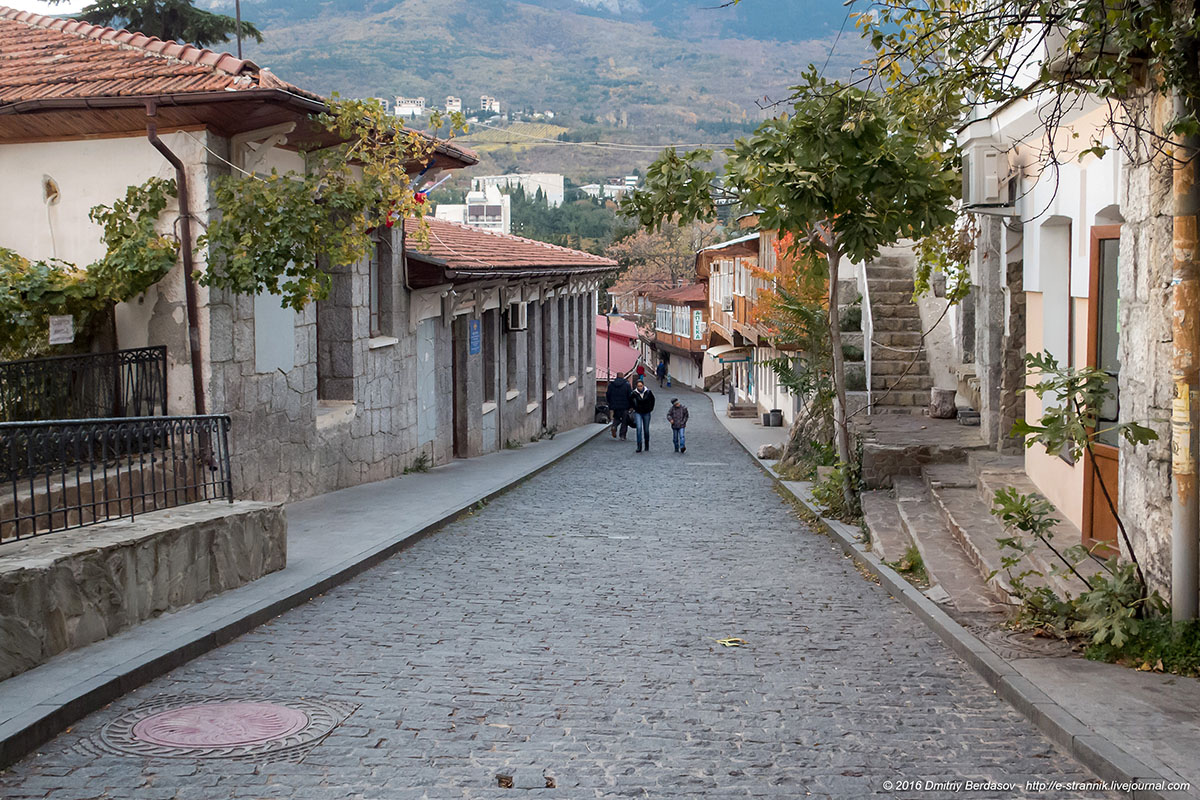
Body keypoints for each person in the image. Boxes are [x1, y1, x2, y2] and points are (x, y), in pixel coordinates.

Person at [630, 379, 656, 453]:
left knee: (646, 429)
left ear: (643, 385)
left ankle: (647, 444)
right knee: (639, 428)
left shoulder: (648, 392)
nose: (640, 387)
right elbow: (630, 401)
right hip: (638, 412)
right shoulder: (634, 393)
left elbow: (653, 400)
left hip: (646, 413)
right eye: (638, 386)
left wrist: (650, 409)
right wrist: (634, 408)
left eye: (641, 386)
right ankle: (639, 445)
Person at [605, 374, 633, 439]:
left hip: (615, 406)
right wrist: (631, 405)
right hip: (625, 406)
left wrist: (610, 403)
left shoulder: (611, 385)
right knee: (624, 420)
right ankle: (622, 435)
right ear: (623, 377)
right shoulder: (627, 385)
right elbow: (630, 396)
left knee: (616, 418)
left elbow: (608, 395)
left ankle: (614, 426)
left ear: (616, 377)